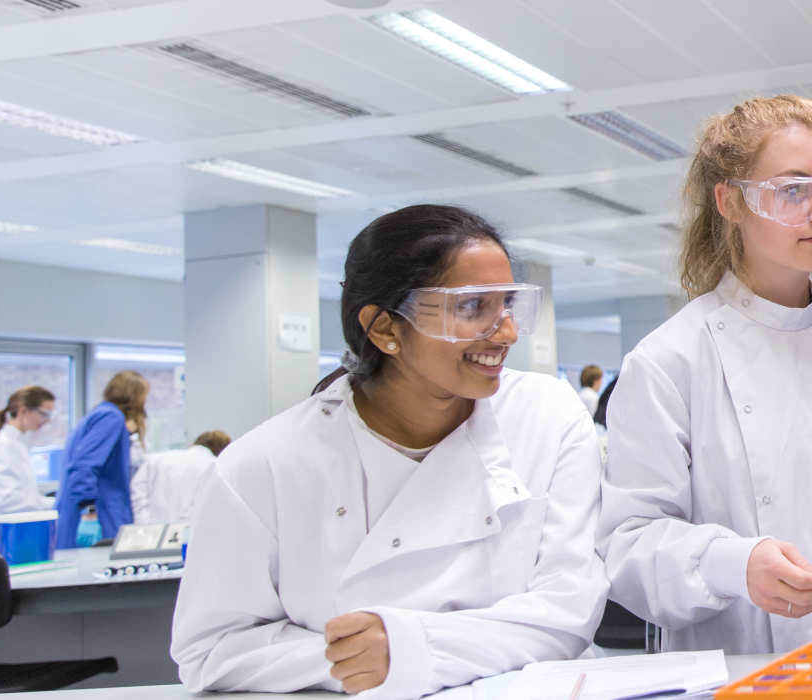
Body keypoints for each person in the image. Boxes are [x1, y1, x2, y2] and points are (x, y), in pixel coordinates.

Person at [170, 205, 609, 696]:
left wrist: (407, 649)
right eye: (471, 307)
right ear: (384, 329)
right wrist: (353, 660)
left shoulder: (546, 416)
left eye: (507, 304)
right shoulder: (262, 466)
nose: (505, 333)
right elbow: (210, 650)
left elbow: (568, 613)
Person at [601, 95, 812, 655]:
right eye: (793, 190)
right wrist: (734, 565)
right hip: (739, 664)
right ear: (730, 203)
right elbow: (628, 547)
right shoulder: (670, 361)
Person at [53, 371, 148, 548]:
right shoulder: (111, 418)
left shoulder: (99, 414)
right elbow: (84, 466)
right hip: (99, 515)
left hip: (92, 512)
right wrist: (89, 512)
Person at [0, 386, 55, 541]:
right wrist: (55, 506)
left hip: (16, 534)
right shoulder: (2, 445)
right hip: (3, 537)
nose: (47, 420)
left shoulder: (17, 444)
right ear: (23, 411)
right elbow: (9, 501)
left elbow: (25, 496)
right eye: (43, 414)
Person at [130, 430, 231, 524]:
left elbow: (136, 489)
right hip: (188, 535)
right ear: (223, 452)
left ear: (193, 443)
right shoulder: (214, 466)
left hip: (150, 534)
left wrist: (144, 522)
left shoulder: (156, 459)